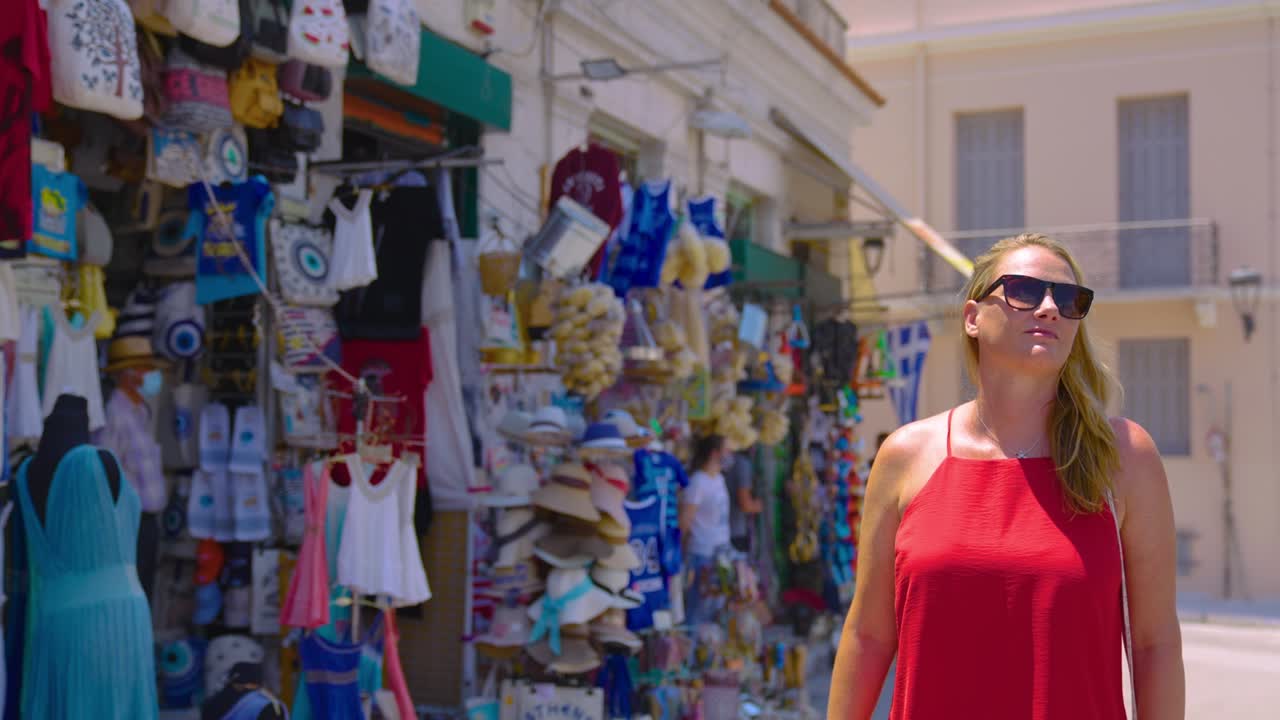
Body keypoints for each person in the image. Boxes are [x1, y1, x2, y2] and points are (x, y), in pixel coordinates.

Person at [828, 234, 1184, 719]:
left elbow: (1154, 645)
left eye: (1067, 298)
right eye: (1023, 290)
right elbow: (868, 636)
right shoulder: (907, 456)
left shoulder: (1123, 457)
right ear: (973, 317)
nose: (1048, 308)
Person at [679, 434, 732, 625]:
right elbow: (685, 520)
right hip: (701, 554)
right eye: (727, 450)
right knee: (697, 612)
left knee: (715, 612)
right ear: (714, 453)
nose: (730, 454)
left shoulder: (719, 479)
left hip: (721, 553)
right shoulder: (698, 482)